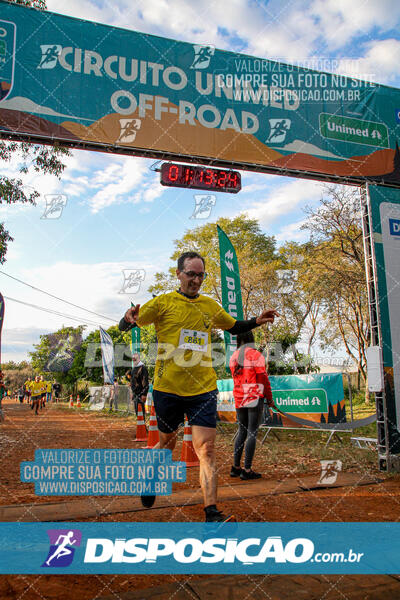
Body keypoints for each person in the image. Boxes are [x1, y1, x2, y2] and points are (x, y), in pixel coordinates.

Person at [118, 250, 279, 522]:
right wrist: (127, 317)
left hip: (203, 389)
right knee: (167, 444)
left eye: (200, 275)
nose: (196, 280)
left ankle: (212, 512)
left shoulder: (209, 305)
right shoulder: (162, 303)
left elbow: (234, 327)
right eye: (190, 274)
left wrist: (256, 321)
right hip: (168, 388)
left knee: (207, 449)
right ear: (178, 274)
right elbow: (127, 324)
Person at [229, 331, 274, 480]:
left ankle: (236, 468)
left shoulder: (233, 357)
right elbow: (263, 379)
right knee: (252, 432)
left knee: (242, 430)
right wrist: (269, 397)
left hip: (239, 395)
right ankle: (247, 470)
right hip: (253, 394)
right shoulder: (256, 355)